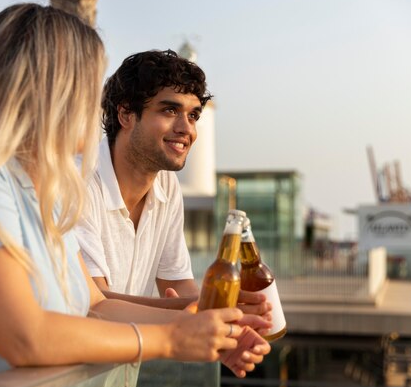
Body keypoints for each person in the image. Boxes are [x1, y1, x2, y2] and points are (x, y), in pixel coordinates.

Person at [0, 3, 270, 387]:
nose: (94, 107)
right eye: (88, 87)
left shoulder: (42, 190)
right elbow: (23, 336)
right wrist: (171, 341)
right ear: (52, 89)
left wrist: (199, 324)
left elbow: (97, 305)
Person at [75, 50, 272, 321]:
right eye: (170, 110)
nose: (186, 128)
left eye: (193, 116)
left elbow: (177, 286)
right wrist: (206, 314)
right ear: (126, 114)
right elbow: (93, 303)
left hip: (129, 358)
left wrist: (222, 324)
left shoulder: (167, 185)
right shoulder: (77, 181)